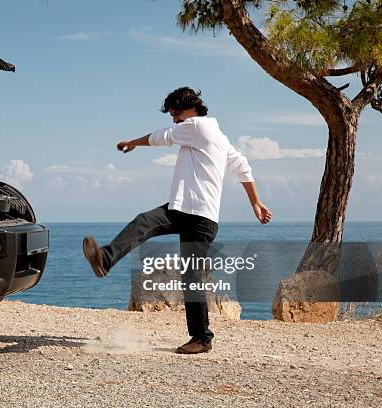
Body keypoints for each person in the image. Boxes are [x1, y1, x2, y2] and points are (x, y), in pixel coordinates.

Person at [82, 87, 271, 354]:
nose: (175, 120)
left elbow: (163, 137)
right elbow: (242, 165)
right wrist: (255, 201)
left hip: (201, 216)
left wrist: (134, 142)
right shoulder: (217, 135)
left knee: (191, 276)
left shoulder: (197, 126)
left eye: (177, 114)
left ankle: (202, 338)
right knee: (144, 221)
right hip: (180, 208)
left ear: (192, 108)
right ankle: (105, 259)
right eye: (172, 115)